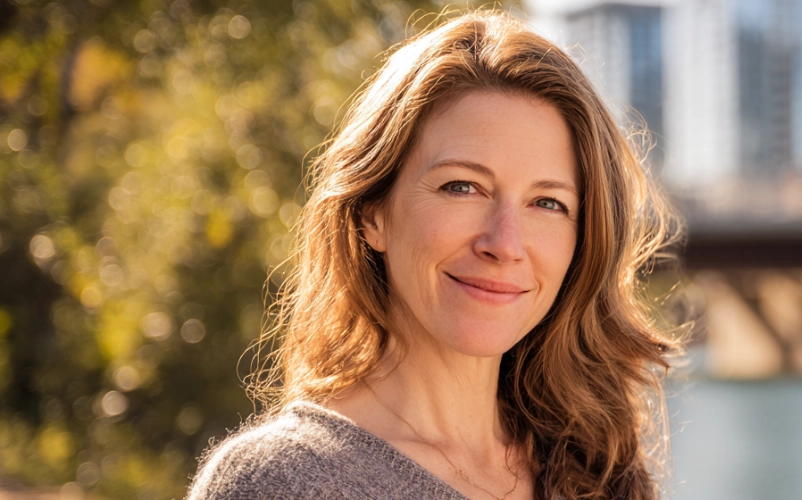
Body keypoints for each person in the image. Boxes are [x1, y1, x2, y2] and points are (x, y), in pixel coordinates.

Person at [188, 10, 681, 500]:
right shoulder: (279, 482)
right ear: (373, 213)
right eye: (462, 187)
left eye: (547, 203)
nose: (505, 244)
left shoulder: (597, 472)